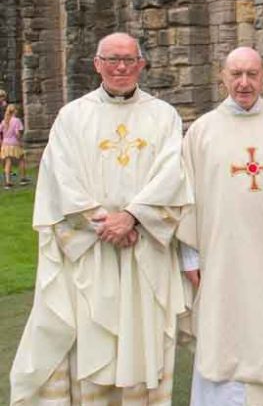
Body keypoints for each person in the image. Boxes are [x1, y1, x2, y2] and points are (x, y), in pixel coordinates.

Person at [9, 32, 192, 405]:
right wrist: (103, 223)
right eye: (111, 59)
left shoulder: (164, 116)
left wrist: (133, 217)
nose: (120, 67)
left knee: (143, 345)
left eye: (128, 59)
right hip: (92, 255)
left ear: (141, 64)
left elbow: (173, 174)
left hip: (143, 253)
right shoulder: (72, 117)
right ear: (97, 65)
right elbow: (59, 180)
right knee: (93, 340)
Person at [176, 47, 263, 405]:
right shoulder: (201, 132)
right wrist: (191, 258)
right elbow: (185, 196)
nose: (243, 83)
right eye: (236, 74)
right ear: (222, 76)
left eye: (252, 74)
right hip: (218, 262)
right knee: (221, 340)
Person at [1, 104, 29, 188]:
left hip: (5, 144)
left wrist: (1, 141)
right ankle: (23, 179)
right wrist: (20, 140)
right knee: (22, 159)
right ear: (15, 111)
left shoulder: (4, 121)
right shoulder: (17, 120)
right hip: (14, 144)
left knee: (8, 162)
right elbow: (17, 133)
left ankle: (8, 182)